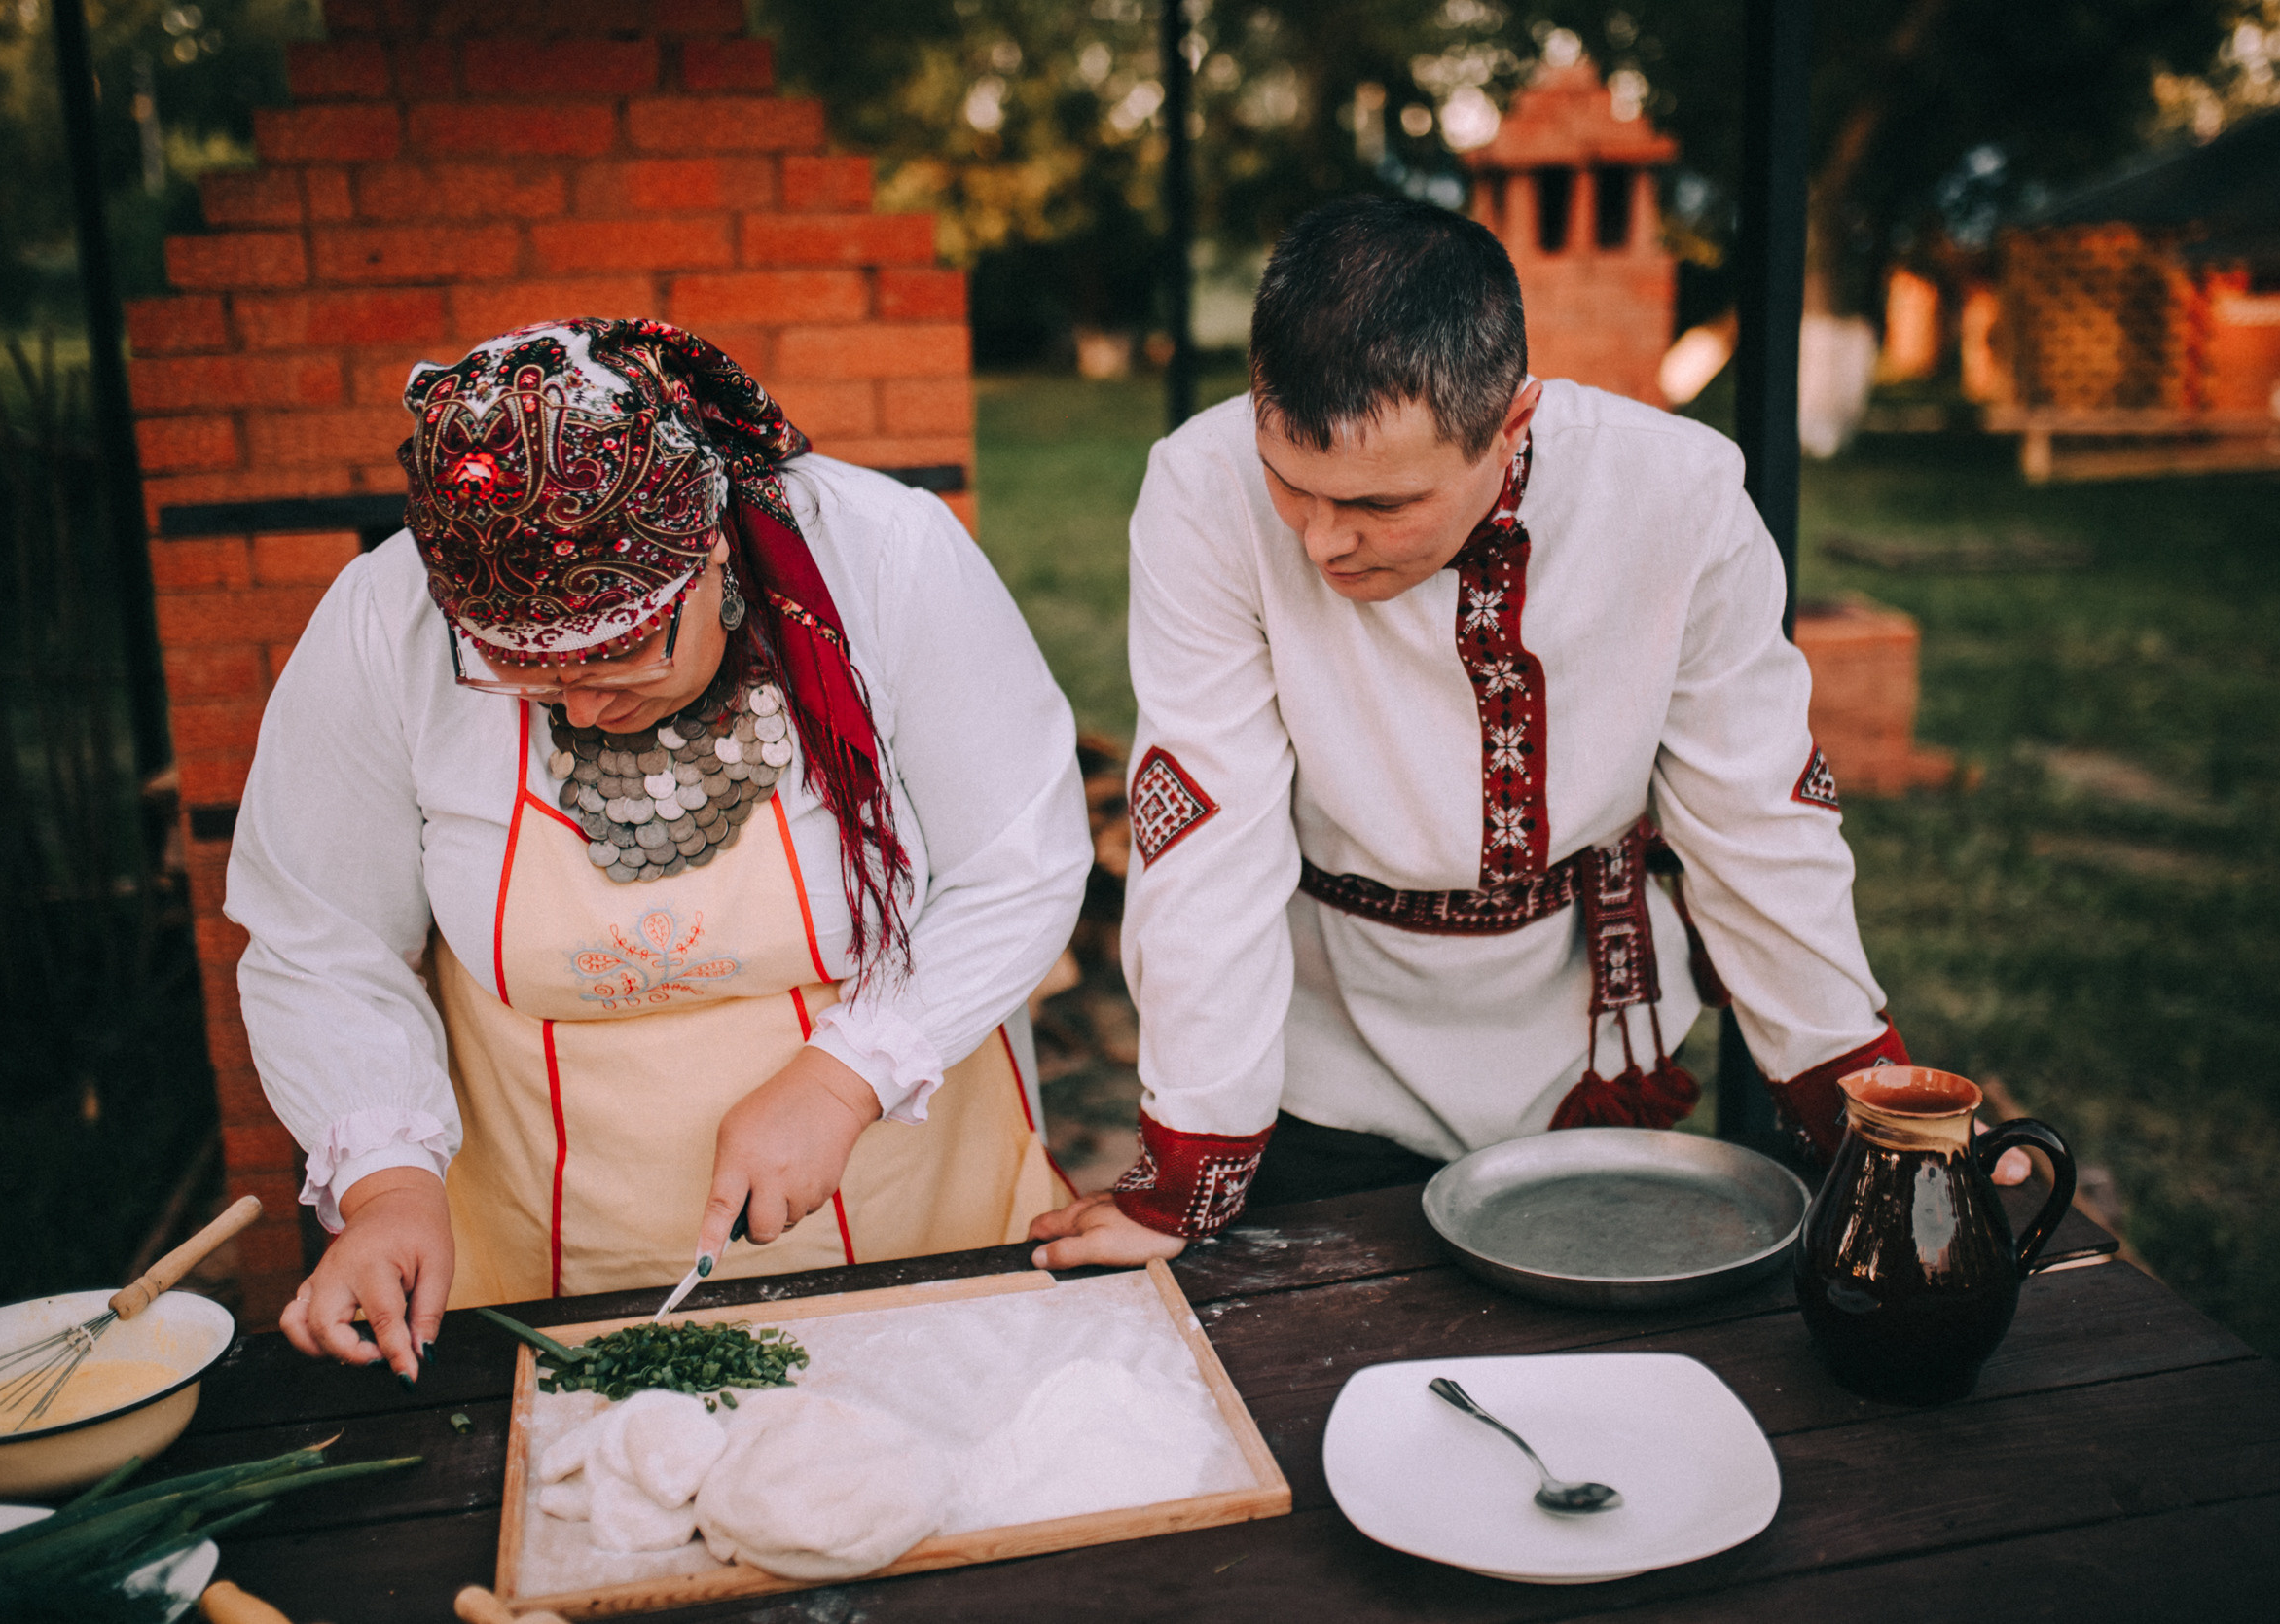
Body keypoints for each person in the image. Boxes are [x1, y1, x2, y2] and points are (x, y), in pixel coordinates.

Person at [1031, 195, 1948, 1270]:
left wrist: (1873, 1109)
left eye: (1382, 504)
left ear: (1511, 426)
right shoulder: (1202, 488)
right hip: (1326, 1044)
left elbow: (1756, 812)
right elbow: (1203, 828)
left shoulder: (1680, 500)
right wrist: (1188, 1163)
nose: (1325, 541)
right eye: (1293, 483)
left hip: (1589, 1048)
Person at [230, 318, 1090, 1380]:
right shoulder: (383, 622)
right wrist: (389, 1183)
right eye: (528, 675)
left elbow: (1019, 862)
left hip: (908, 1204)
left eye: (624, 653)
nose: (584, 703)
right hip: (547, 1249)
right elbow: (321, 940)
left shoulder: (886, 556)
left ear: (710, 552)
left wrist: (844, 1078)